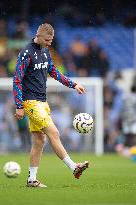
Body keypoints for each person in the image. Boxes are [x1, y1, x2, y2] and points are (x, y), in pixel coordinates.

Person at [13, 23, 89, 188]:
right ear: (38, 35)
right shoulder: (27, 53)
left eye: (51, 40)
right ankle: (73, 167)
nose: (49, 43)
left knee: (39, 140)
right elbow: (17, 79)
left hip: (42, 101)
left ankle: (31, 179)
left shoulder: (46, 52)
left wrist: (73, 84)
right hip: (30, 101)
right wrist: (19, 105)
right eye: (47, 40)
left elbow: (54, 72)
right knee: (53, 132)